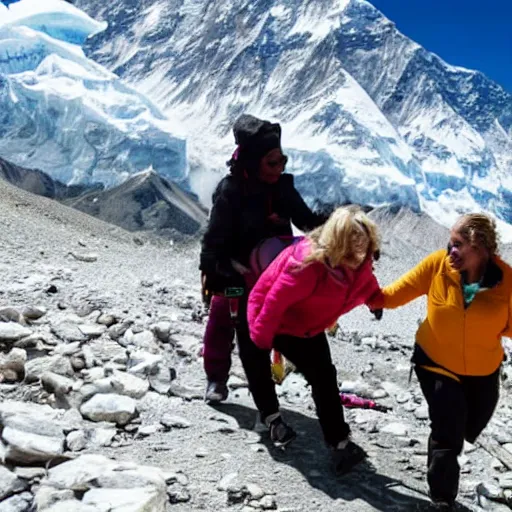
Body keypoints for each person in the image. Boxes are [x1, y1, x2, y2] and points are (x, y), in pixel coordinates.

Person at [369, 213, 512, 510]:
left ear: (480, 245)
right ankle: (442, 499)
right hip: (435, 361)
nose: (451, 250)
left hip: (483, 369)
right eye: (450, 242)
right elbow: (395, 294)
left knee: (470, 425)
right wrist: (363, 293)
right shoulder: (437, 265)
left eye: (458, 244)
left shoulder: (507, 280)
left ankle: (448, 453)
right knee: (448, 426)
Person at [200, 113, 327, 404]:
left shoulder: (282, 188)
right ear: (254, 160)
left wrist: (340, 229)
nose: (279, 168)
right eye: (272, 162)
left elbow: (307, 221)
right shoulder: (230, 192)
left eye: (282, 161)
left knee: (272, 321)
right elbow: (213, 239)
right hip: (234, 271)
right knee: (223, 316)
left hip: (272, 270)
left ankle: (272, 377)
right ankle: (216, 378)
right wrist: (214, 273)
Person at [247, 206, 383, 473]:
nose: (362, 257)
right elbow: (273, 303)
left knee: (324, 377)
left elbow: (365, 283)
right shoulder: (306, 265)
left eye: (365, 250)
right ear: (338, 245)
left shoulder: (358, 260)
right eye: (355, 250)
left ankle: (339, 444)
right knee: (301, 371)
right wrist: (261, 338)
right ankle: (271, 417)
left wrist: (374, 301)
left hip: (308, 325)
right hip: (282, 324)